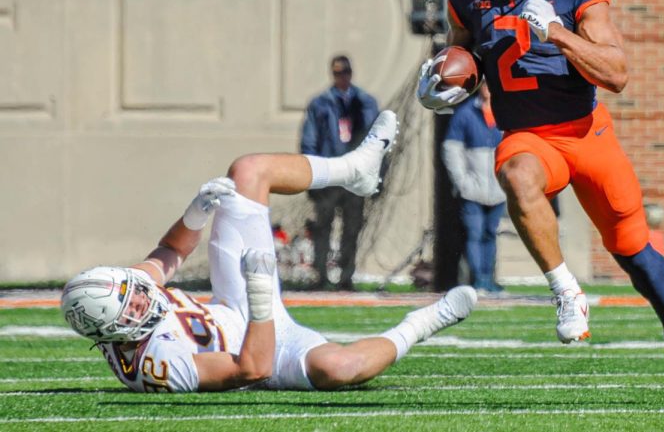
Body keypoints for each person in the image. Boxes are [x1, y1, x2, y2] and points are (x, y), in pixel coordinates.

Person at [416, 0, 664, 405]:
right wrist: (449, 78)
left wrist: (559, 33)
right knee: (516, 176)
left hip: (586, 132)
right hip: (527, 135)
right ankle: (566, 292)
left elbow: (617, 74)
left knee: (635, 253)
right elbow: (468, 52)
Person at [60, 111, 478, 393]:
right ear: (115, 334)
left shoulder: (125, 293)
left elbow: (169, 252)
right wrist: (261, 301)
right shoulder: (159, 365)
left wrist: (196, 213)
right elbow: (251, 367)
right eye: (132, 305)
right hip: (260, 345)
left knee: (248, 170)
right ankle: (420, 325)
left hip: (230, 302)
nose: (141, 294)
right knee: (339, 369)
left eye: (131, 289)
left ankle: (353, 169)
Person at [300, 55, 380, 290]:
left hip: (354, 174)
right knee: (323, 226)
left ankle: (346, 276)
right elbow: (309, 140)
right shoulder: (321, 103)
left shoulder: (365, 102)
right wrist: (310, 174)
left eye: (345, 72)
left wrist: (376, 175)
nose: (341, 77)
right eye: (337, 73)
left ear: (351, 73)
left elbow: (376, 141)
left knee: (352, 228)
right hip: (328, 173)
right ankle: (321, 276)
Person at [442, 82, 507, 295]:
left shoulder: (505, 111)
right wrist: (462, 182)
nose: (489, 89)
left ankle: (489, 279)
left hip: (498, 189)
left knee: (490, 233)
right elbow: (451, 149)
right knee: (475, 233)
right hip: (473, 189)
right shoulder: (466, 113)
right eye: (485, 85)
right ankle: (478, 279)